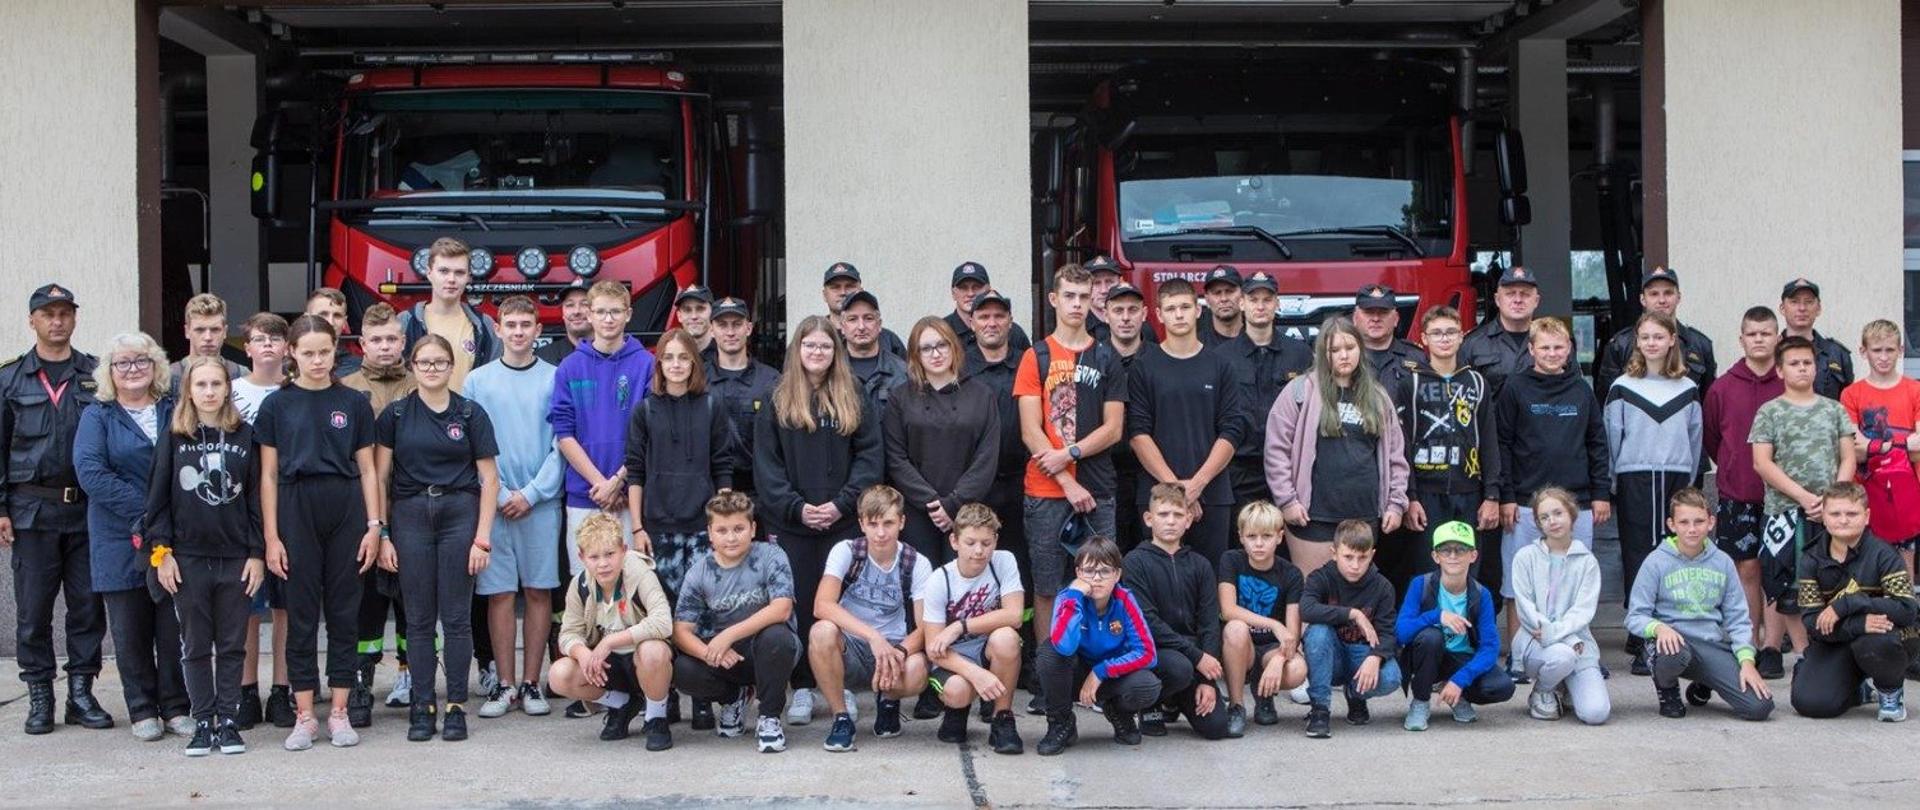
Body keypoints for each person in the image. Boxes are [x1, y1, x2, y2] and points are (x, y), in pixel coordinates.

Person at [256, 315, 383, 750]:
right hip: (295, 507)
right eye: (307, 352)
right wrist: (271, 537)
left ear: (336, 351)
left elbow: (368, 470)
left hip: (345, 506)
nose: (316, 360)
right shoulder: (277, 405)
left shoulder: (354, 403)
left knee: (345, 612)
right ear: (291, 352)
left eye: (324, 352)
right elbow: (268, 476)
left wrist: (374, 527)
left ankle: (341, 711)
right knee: (301, 615)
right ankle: (305, 714)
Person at [755, 316, 884, 726]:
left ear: (836, 351)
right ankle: (803, 687)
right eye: (809, 346)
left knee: (838, 607)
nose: (817, 353)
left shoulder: (854, 394)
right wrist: (796, 507)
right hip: (792, 523)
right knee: (796, 606)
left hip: (841, 523)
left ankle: (837, 679)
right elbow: (766, 466)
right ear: (797, 350)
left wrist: (842, 504)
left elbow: (870, 457)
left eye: (825, 347)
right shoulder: (777, 398)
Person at [373, 335, 500, 743]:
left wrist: (482, 538)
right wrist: (384, 533)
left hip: (459, 513)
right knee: (419, 619)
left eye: (439, 362)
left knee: (458, 617)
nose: (431, 369)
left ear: (451, 366)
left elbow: (490, 478)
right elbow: (379, 477)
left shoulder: (469, 413)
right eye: (424, 362)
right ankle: (423, 706)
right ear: (412, 366)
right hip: (409, 515)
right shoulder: (394, 416)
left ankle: (457, 706)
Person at [1, 283, 112, 735]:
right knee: (33, 611)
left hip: (87, 511)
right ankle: (40, 695)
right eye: (48, 314)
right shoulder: (9, 379)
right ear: (32, 320)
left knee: (87, 608)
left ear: (74, 318)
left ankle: (81, 694)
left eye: (64, 313)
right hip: (32, 510)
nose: (57, 321)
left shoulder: (95, 375)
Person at [1015, 263, 1127, 709]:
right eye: (1071, 296)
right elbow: (1030, 429)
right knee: (1047, 587)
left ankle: (1097, 678)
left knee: (1101, 583)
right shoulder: (1035, 356)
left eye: (1085, 296)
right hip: (1045, 493)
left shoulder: (1107, 358)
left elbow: (1115, 428)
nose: (1078, 304)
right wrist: (1063, 476)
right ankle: (1048, 680)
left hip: (1097, 489)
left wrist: (1074, 454)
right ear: (1054, 300)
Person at [144, 356, 266, 756]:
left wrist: (256, 553)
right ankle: (203, 721)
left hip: (235, 558)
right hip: (189, 558)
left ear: (228, 389)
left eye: (217, 384)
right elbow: (157, 502)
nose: (210, 392)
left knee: (232, 644)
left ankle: (228, 721)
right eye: (202, 385)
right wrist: (162, 554)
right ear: (189, 391)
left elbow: (255, 500)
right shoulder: (174, 437)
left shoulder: (246, 435)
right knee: (195, 644)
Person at [76, 332, 186, 741]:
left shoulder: (175, 410)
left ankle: (176, 707)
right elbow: (91, 473)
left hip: (174, 536)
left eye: (141, 360)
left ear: (155, 366)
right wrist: (149, 511)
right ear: (110, 371)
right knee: (129, 627)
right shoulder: (98, 416)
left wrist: (164, 517)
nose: (132, 369)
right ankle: (141, 708)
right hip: (118, 535)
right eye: (122, 363)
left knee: (172, 628)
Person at [466, 295, 564, 719]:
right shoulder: (478, 381)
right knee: (500, 594)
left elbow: (563, 443)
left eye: (527, 324)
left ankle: (531, 682)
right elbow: (471, 445)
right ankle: (504, 685)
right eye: (512, 324)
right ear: (499, 329)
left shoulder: (555, 377)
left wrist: (533, 493)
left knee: (539, 590)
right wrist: (503, 494)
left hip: (539, 503)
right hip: (496, 502)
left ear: (538, 331)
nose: (519, 331)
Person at [1265, 316, 1409, 579]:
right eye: (1334, 350)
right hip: (1313, 515)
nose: (1344, 355)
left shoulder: (1377, 396)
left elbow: (1395, 457)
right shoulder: (1300, 390)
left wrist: (1396, 503)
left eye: (1350, 348)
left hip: (1364, 513)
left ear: (1360, 350)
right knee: (1312, 594)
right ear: (1322, 353)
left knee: (1356, 597)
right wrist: (1287, 500)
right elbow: (1276, 450)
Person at [1495, 317, 1610, 635]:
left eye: (1558, 347)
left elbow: (1597, 443)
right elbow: (1502, 443)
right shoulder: (1515, 388)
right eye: (1544, 347)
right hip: (1523, 502)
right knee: (1519, 583)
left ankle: (1577, 648)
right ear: (1531, 349)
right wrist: (1504, 496)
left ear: (1570, 349)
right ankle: (1521, 654)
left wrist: (1601, 492)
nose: (1551, 352)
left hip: (1578, 503)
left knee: (1575, 581)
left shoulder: (1581, 391)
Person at [1750, 335, 1856, 679]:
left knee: (1827, 583)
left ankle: (1827, 653)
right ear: (1780, 370)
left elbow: (1848, 457)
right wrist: (1803, 497)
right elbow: (1762, 463)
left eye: (1807, 362)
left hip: (1828, 514)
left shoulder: (1833, 409)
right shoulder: (1770, 412)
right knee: (1787, 585)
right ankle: (1802, 654)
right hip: (1784, 512)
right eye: (1794, 363)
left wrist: (1830, 501)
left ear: (1817, 366)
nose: (1802, 368)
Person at [1603, 311, 1703, 662]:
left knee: (1674, 551)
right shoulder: (1623, 387)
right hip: (1635, 475)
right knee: (1638, 553)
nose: (1651, 343)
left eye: (1658, 337)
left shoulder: (1688, 388)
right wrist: (1613, 481)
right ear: (1636, 342)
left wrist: (1689, 481)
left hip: (1675, 475)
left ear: (1672, 340)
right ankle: (1638, 627)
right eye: (1644, 337)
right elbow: (1612, 436)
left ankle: (1672, 624)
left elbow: (1695, 438)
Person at [1624, 488, 1773, 721]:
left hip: (1711, 645)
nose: (1692, 529)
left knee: (1759, 708)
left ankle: (1705, 682)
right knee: (1672, 653)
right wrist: (1659, 628)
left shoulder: (1722, 562)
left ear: (1711, 522)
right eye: (1684, 522)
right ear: (1671, 525)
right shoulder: (1655, 562)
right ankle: (1667, 688)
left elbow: (1738, 618)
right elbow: (1635, 616)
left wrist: (1747, 662)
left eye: (1699, 521)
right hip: (1673, 644)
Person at [1128, 280, 1248, 566]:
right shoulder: (1144, 366)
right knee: (1158, 584)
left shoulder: (1220, 365)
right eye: (1171, 308)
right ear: (1158, 314)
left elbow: (1232, 430)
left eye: (1185, 307)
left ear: (1198, 310)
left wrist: (1197, 484)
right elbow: (1137, 433)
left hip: (1212, 495)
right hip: (1157, 496)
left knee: (1209, 583)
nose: (1179, 314)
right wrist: (1177, 490)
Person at [671, 490, 801, 753]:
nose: (731, 537)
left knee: (776, 636)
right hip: (728, 657)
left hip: (772, 648)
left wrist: (728, 635)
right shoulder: (700, 572)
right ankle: (734, 698)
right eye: (722, 530)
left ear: (753, 528)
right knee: (682, 668)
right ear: (710, 534)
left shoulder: (770, 555)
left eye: (738, 528)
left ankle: (769, 717)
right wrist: (709, 653)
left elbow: (782, 609)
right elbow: (681, 631)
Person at [809, 485, 934, 751]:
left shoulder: (916, 562)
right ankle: (841, 717)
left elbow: (926, 627)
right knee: (821, 632)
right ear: (861, 524)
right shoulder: (847, 551)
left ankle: (888, 700)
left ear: (902, 522)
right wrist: (872, 636)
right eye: (873, 523)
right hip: (852, 648)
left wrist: (899, 650)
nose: (880, 533)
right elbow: (822, 605)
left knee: (918, 669)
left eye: (888, 523)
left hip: (893, 649)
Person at [339, 301, 418, 723]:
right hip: (362, 509)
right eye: (377, 340)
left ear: (402, 341)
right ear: (362, 343)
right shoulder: (347, 388)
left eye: (392, 339)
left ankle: (413, 676)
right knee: (365, 600)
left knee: (412, 600)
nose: (385, 347)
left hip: (411, 506)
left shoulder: (421, 381)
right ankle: (360, 681)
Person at [1391, 305, 1501, 596]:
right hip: (1425, 494)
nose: (1444, 338)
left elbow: (1489, 440)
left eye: (1451, 332)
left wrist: (1492, 494)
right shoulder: (1410, 383)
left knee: (1466, 565)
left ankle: (1465, 633)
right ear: (1424, 339)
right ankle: (1426, 637)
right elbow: (1399, 445)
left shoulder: (1477, 382)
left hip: (1469, 491)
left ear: (1462, 336)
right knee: (1425, 568)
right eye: (1436, 333)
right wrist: (1409, 497)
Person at [550, 279, 657, 573]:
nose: (608, 319)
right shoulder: (570, 367)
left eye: (615, 311)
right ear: (590, 315)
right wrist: (601, 483)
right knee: (585, 584)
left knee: (631, 582)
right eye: (600, 312)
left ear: (629, 314)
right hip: (585, 495)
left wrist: (619, 481)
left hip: (630, 496)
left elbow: (650, 431)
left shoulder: (646, 364)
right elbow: (564, 433)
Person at [1701, 307, 1784, 679]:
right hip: (1738, 491)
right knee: (1746, 568)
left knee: (1777, 570)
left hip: (1783, 495)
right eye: (1752, 334)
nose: (1759, 340)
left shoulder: (1788, 384)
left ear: (1777, 338)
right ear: (1741, 339)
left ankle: (1772, 647)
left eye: (1766, 333)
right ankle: (1749, 641)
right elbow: (1711, 439)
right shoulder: (1722, 387)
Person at [548, 512, 675, 749]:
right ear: (582, 557)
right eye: (594, 557)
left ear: (624, 550)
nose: (603, 563)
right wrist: (581, 652)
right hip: (607, 664)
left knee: (653, 652)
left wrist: (610, 641)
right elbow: (568, 633)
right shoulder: (580, 584)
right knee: (559, 674)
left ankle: (657, 716)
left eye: (610, 554)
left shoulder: (639, 572)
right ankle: (621, 704)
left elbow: (663, 621)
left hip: (642, 659)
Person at [1790, 482, 1916, 720]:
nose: (1843, 520)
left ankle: (1890, 690)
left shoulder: (1884, 554)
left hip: (1884, 636)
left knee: (1877, 644)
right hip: (1837, 638)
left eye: (1852, 513)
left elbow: (1907, 610)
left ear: (1866, 516)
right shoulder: (1811, 558)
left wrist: (1848, 604)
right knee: (1810, 703)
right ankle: (1856, 689)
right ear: (1823, 517)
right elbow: (1811, 621)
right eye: (1835, 514)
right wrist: (1857, 624)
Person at [625, 328, 735, 599]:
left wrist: (722, 524)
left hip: (701, 526)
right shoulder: (645, 410)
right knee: (663, 607)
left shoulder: (712, 406)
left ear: (694, 362)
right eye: (669, 357)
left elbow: (723, 467)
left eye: (684, 358)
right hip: (658, 528)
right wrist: (637, 527)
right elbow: (635, 472)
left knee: (703, 606)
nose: (676, 364)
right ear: (659, 363)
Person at [1122, 484, 1232, 740]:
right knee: (1179, 668)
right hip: (1153, 652)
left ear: (1189, 520)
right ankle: (1150, 704)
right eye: (1163, 515)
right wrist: (1197, 658)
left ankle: (1175, 700)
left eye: (1178, 515)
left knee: (1217, 728)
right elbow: (1147, 621)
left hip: (1192, 657)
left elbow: (1209, 621)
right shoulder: (1134, 562)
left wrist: (1208, 679)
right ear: (1148, 519)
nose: (1170, 521)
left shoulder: (1201, 565)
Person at [884, 317, 999, 563]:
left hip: (968, 514)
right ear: (915, 355)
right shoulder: (900, 398)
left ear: (954, 347)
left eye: (942, 345)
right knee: (921, 589)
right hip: (918, 513)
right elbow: (896, 458)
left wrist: (954, 503)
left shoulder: (981, 395)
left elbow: (986, 458)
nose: (935, 354)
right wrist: (933, 503)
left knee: (964, 590)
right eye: (926, 348)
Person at [1212, 272, 1311, 550]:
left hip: (1287, 472)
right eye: (1253, 299)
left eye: (1267, 299)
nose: (1260, 306)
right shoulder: (1222, 357)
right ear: (1241, 304)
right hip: (1238, 470)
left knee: (1285, 550)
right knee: (1240, 547)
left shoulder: (1300, 354)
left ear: (1277, 304)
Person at [1035, 535, 1158, 755]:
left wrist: (1102, 671)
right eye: (1089, 571)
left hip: (1108, 677)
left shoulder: (1125, 599)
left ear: (1117, 574)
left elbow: (1148, 653)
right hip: (1073, 676)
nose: (1097, 578)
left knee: (1147, 685)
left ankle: (1118, 710)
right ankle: (1061, 722)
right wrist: (1076, 595)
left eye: (1105, 571)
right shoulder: (1068, 598)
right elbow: (1063, 646)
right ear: (1078, 573)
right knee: (1048, 653)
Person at [229, 311, 293, 728]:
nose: (268, 344)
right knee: (247, 606)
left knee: (286, 606)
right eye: (259, 339)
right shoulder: (230, 392)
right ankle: (246, 689)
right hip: (239, 511)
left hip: (290, 507)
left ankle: (282, 690)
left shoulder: (298, 392)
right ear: (247, 348)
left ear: (287, 348)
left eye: (275, 338)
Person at [921, 503, 1025, 754]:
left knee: (1007, 638)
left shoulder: (1003, 561)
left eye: (986, 543)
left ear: (995, 541)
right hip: (953, 657)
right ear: (954, 541)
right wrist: (976, 674)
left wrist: (960, 626)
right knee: (957, 691)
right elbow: (933, 647)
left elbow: (1015, 615)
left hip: (987, 647)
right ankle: (956, 712)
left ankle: (1003, 718)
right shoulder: (939, 579)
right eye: (970, 543)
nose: (979, 551)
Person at [1394, 521, 1515, 731]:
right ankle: (1421, 702)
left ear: (1473, 556)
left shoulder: (1481, 594)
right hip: (1427, 656)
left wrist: (1460, 680)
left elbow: (1490, 647)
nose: (1453, 556)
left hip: (1460, 659)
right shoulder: (1420, 585)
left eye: (1460, 549)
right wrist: (1437, 616)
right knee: (1431, 637)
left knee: (1502, 686)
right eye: (1445, 549)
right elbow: (1401, 633)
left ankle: (1456, 694)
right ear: (1435, 556)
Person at [1508, 487, 1610, 725]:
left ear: (1571, 515)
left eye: (1557, 513)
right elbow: (1525, 607)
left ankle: (1565, 685)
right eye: (1544, 517)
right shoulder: (1525, 557)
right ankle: (1543, 690)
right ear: (1538, 523)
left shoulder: (1587, 562)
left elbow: (1582, 612)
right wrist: (1563, 639)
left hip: (1579, 646)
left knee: (1596, 713)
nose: (1552, 521)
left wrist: (1562, 635)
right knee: (1563, 656)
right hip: (1537, 643)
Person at [1298, 520, 1402, 738]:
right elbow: (1306, 609)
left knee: (1391, 677)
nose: (1355, 565)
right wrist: (1353, 614)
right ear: (1334, 553)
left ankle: (1356, 695)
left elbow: (1388, 632)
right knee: (1317, 632)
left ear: (1372, 555)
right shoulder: (1321, 577)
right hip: (1329, 655)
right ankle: (1320, 709)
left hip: (1361, 656)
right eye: (1348, 557)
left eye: (1362, 558)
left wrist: (1376, 657)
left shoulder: (1382, 587)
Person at [1839, 319, 1920, 581]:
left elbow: (1919, 446)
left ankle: (1906, 618)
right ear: (1864, 351)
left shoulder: (1915, 389)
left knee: (1905, 561)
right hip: (1865, 490)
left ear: (1901, 350)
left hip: (1908, 489)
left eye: (1889, 350)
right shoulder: (1852, 394)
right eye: (1877, 350)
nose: (1884, 357)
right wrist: (1900, 445)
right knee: (1866, 563)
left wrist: (1876, 447)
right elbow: (1855, 447)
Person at [1218, 501, 1307, 734]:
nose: (1258, 543)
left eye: (1266, 536)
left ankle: (1265, 696)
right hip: (1240, 646)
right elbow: (1228, 609)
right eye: (1252, 536)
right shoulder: (1231, 560)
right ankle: (1236, 705)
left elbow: (1292, 634)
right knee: (1236, 627)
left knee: (1297, 668)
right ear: (1241, 537)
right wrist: (1273, 623)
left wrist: (1279, 659)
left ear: (1279, 537)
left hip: (1271, 648)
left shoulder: (1291, 573)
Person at [394, 236, 502, 391]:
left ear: (468, 277)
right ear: (429, 273)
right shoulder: (405, 322)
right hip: (418, 414)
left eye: (459, 272)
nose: (451, 279)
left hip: (468, 414)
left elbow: (493, 384)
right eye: (443, 271)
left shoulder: (485, 326)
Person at [1594, 265, 1715, 398]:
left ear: (1678, 297)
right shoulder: (1619, 345)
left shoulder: (1700, 345)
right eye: (1654, 294)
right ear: (1642, 299)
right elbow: (1606, 403)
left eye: (1668, 293)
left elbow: (1708, 404)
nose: (1662, 300)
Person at [708, 297, 781, 500]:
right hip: (710, 492)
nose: (730, 332)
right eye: (722, 325)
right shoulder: (698, 380)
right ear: (711, 330)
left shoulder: (772, 380)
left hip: (761, 493)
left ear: (749, 328)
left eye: (737, 324)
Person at [1101, 282, 1155, 552]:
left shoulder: (1160, 359)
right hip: (1106, 476)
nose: (1125, 317)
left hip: (1152, 475)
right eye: (1118, 310)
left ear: (1144, 314)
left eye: (1132, 310)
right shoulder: (1092, 359)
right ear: (1105, 313)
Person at [1460, 265, 1541, 399]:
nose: (1518, 300)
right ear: (1497, 300)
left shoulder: (1555, 343)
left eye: (1525, 294)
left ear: (1536, 301)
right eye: (1510, 294)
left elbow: (1570, 393)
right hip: (1493, 420)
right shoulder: (1472, 344)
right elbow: (1459, 397)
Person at [1778, 278, 1853, 400]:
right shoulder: (1771, 351)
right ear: (1782, 308)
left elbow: (1847, 404)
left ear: (1818, 309)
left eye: (1808, 302)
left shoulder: (1837, 354)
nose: (1802, 308)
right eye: (1794, 302)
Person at [837, 290, 909, 415]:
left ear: (879, 324)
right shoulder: (832, 371)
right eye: (853, 319)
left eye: (868, 318)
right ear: (842, 327)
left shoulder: (902, 372)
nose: (861, 327)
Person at [167, 293, 247, 396]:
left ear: (225, 332)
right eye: (200, 330)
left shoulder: (241, 375)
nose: (208, 337)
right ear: (187, 331)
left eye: (215, 330)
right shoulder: (168, 377)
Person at [943, 261, 1031, 356]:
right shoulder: (942, 331)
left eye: (976, 287)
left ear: (988, 289)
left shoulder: (1013, 332)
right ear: (953, 293)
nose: (970, 293)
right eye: (963, 288)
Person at [820, 262, 905, 357]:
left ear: (861, 290)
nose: (843, 292)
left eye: (849, 286)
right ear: (824, 295)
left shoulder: (888, 340)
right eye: (835, 287)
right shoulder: (815, 338)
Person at [1352, 284, 1421, 392]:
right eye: (1368, 312)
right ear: (1355, 318)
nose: (1375, 318)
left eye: (1383, 312)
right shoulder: (1344, 357)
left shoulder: (1417, 358)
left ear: (1396, 319)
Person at [302, 288, 362, 378]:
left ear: (345, 322)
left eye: (337, 316)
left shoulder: (359, 369)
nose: (330, 322)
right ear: (306, 318)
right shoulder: (289, 367)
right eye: (323, 314)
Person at [534, 281, 593, 366]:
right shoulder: (543, 358)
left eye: (584, 304)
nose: (576, 311)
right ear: (563, 313)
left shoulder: (613, 353)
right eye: (570, 305)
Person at [1196, 265, 1245, 347]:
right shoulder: (1196, 342)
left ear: (1243, 294)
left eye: (1230, 291)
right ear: (1207, 299)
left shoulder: (1261, 332)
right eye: (1217, 293)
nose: (1224, 299)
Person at [673, 284, 715, 355]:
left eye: (700, 309)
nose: (694, 316)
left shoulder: (725, 354)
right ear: (679, 316)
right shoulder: (672, 355)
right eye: (687, 310)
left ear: (713, 312)